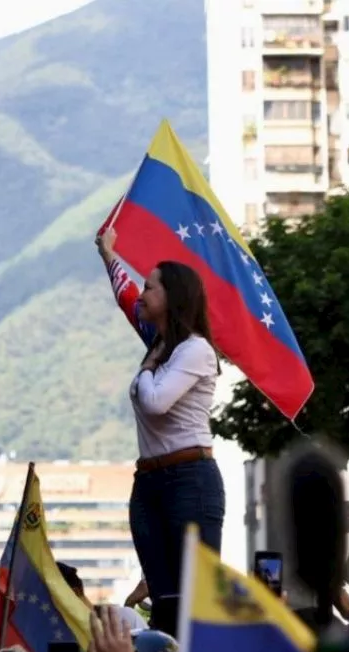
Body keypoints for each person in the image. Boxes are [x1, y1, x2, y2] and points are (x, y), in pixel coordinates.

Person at [96, 226, 224, 601]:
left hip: (189, 481)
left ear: (174, 298)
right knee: (166, 600)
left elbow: (155, 402)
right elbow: (127, 297)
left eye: (152, 286)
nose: (143, 291)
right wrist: (108, 254)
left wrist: (149, 365)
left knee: (193, 600)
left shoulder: (195, 350)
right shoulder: (161, 344)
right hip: (149, 482)